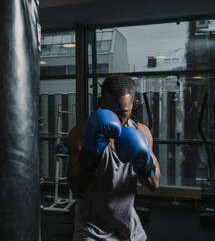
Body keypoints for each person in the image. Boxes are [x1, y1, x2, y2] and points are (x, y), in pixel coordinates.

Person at [67, 74, 161, 241]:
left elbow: (153, 185)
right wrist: (91, 154)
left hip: (130, 230)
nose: (115, 118)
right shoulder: (82, 132)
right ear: (101, 103)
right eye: (109, 111)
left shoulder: (142, 133)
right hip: (91, 232)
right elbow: (77, 189)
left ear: (134, 105)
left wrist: (144, 164)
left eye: (122, 112)